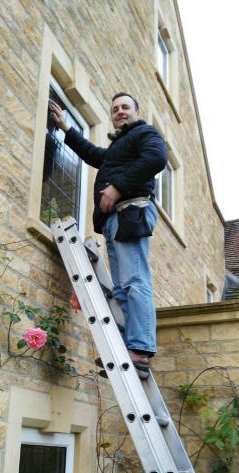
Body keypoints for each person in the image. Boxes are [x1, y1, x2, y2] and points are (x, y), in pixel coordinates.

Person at [49, 93, 167, 378]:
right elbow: (93, 154)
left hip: (130, 211)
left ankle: (139, 349)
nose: (120, 111)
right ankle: (132, 349)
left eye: (125, 107)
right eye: (115, 109)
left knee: (134, 281)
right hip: (116, 219)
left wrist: (116, 187)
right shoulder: (118, 148)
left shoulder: (145, 133)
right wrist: (66, 127)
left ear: (136, 112)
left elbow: (157, 158)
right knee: (124, 286)